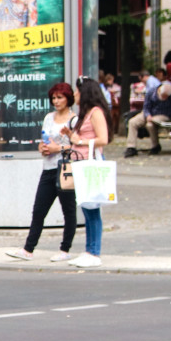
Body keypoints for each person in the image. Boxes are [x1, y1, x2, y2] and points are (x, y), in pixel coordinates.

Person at [6, 82, 78, 262]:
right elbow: (44, 139)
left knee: (68, 210)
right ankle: (28, 249)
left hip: (65, 168)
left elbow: (78, 145)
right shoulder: (48, 117)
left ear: (68, 99)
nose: (56, 101)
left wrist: (59, 148)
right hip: (48, 168)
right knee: (39, 209)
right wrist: (43, 147)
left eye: (60, 97)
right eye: (53, 98)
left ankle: (65, 249)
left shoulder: (74, 119)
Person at [67, 77, 112, 269]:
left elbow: (104, 139)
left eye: (77, 91)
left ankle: (95, 251)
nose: (75, 95)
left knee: (93, 209)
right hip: (81, 162)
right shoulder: (84, 113)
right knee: (86, 207)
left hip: (90, 162)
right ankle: (88, 250)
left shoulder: (95, 112)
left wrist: (80, 141)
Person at [124, 80, 171, 157]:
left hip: (163, 114)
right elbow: (146, 107)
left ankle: (155, 146)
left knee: (150, 124)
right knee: (132, 122)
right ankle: (131, 147)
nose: (165, 98)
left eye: (167, 97)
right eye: (164, 96)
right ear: (159, 91)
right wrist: (148, 115)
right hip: (149, 112)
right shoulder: (151, 91)